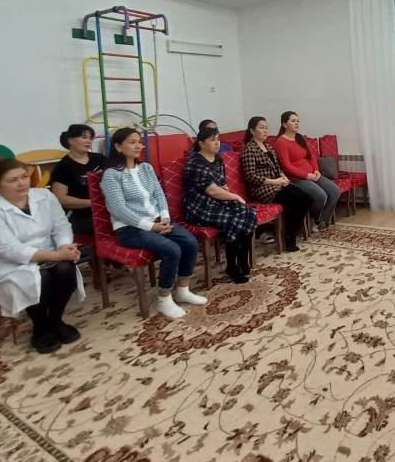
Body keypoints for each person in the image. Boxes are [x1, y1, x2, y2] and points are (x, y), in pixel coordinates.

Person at [0, 158, 85, 353]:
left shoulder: (44, 196)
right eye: (13, 180)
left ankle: (55, 320)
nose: (21, 183)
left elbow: (61, 226)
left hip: (52, 252)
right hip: (10, 264)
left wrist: (65, 247)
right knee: (41, 278)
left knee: (66, 270)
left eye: (24, 177)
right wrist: (57, 255)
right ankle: (41, 327)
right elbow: (10, 249)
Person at [100, 128, 206, 319]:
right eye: (132, 142)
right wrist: (151, 227)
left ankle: (183, 290)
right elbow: (119, 209)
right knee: (171, 249)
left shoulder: (146, 168)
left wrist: (164, 216)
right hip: (130, 228)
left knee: (190, 242)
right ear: (118, 147)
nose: (138, 146)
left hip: (157, 221)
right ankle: (164, 299)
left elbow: (159, 194)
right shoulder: (111, 175)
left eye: (139, 142)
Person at [183, 127, 257, 283]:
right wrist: (235, 196)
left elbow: (222, 185)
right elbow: (212, 191)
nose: (217, 143)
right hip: (200, 206)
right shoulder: (195, 163)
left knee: (249, 213)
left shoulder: (218, 159)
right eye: (212, 140)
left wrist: (230, 195)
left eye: (218, 139)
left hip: (218, 201)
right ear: (201, 143)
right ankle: (232, 266)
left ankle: (242, 258)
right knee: (233, 220)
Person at [241, 116, 311, 252]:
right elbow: (250, 176)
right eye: (261, 128)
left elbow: (278, 167)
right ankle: (289, 238)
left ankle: (291, 232)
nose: (265, 130)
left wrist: (283, 177)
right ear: (252, 131)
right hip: (262, 189)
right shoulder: (249, 149)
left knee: (305, 198)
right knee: (293, 199)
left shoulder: (268, 146)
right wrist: (274, 181)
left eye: (266, 128)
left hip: (277, 184)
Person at [274, 111, 340, 230]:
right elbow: (287, 166)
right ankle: (314, 219)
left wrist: (316, 170)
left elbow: (311, 156)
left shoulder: (300, 138)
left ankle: (322, 221)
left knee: (335, 191)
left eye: (298, 121)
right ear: (284, 124)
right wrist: (307, 175)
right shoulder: (280, 142)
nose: (296, 123)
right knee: (321, 196)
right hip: (296, 178)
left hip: (313, 174)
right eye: (293, 121)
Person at [50, 124, 107, 236]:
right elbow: (61, 199)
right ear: (70, 140)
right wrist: (93, 203)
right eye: (84, 137)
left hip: (106, 208)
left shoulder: (99, 159)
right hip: (80, 214)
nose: (89, 141)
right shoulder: (63, 167)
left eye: (91, 138)